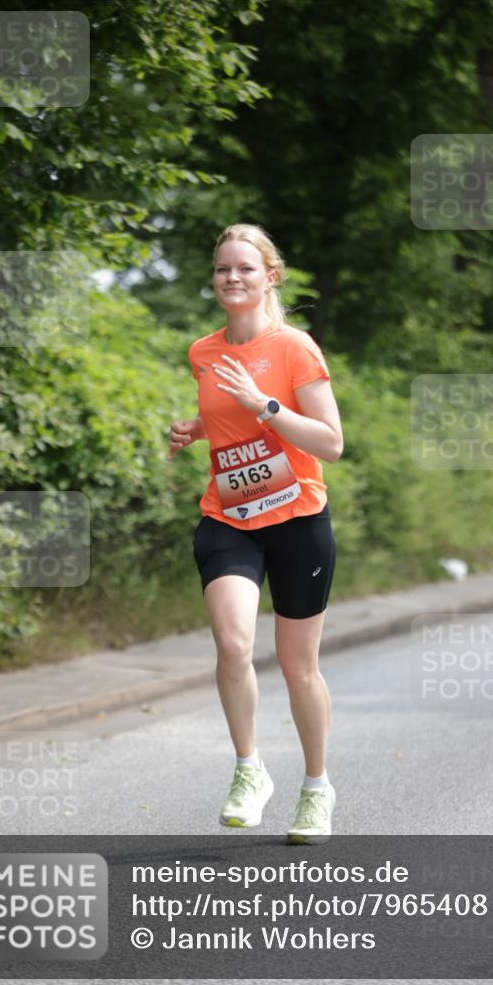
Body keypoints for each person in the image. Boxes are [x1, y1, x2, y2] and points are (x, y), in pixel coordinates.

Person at [168, 223, 343, 844]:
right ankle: (250, 771)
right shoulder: (203, 352)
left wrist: (264, 405)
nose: (231, 278)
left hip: (298, 518)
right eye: (222, 269)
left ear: (270, 276)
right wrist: (198, 428)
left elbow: (331, 442)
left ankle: (316, 789)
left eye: (244, 268)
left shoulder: (295, 348)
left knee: (298, 666)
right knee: (234, 643)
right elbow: (228, 421)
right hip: (229, 518)